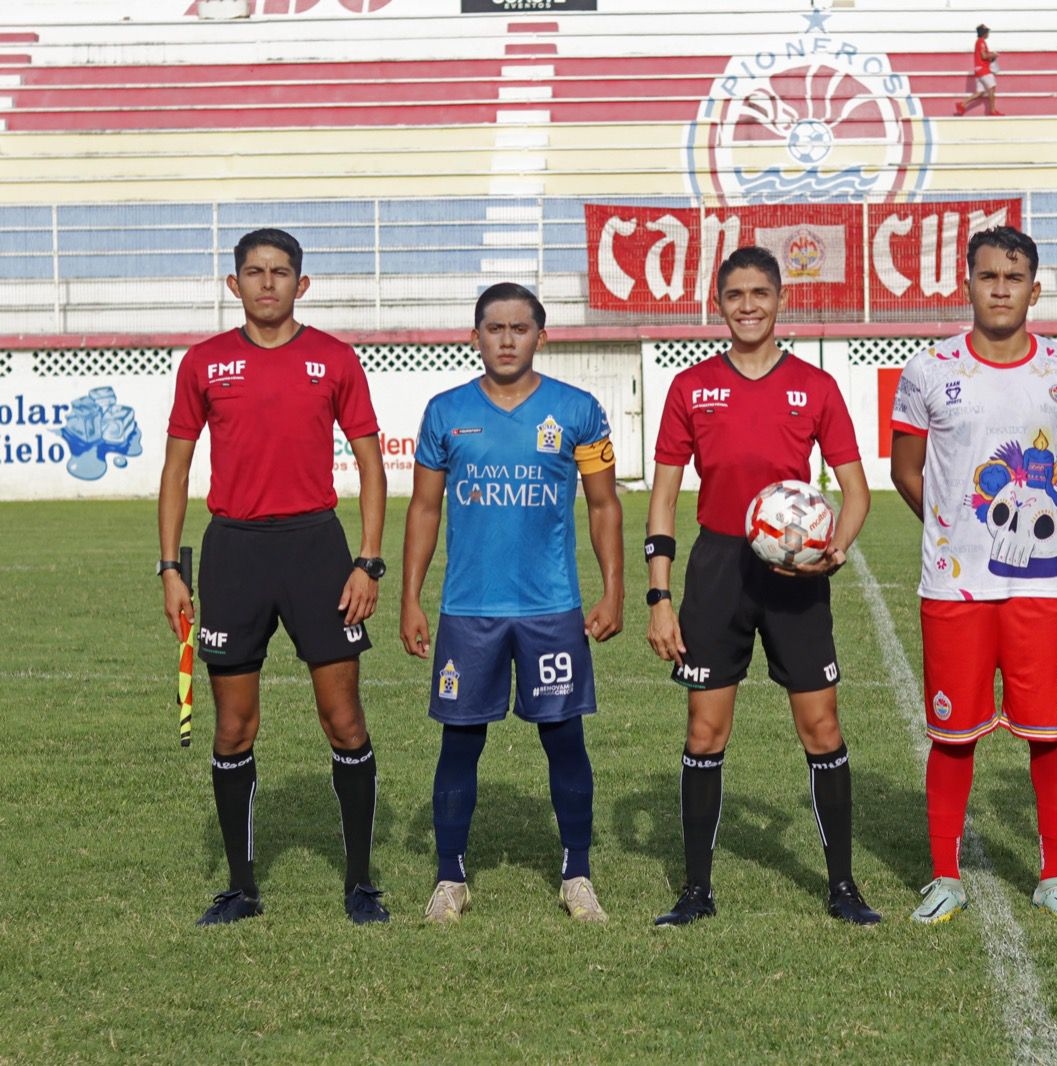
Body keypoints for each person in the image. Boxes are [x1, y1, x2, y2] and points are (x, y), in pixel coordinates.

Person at [159, 228, 389, 926]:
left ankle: (359, 884)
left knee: (343, 719)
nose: (267, 284)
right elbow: (174, 470)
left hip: (318, 550)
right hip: (234, 554)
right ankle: (241, 888)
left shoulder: (334, 359)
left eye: (281, 272)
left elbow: (373, 466)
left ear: (302, 284)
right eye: (254, 273)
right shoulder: (204, 364)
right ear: (234, 285)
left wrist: (368, 560)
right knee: (234, 728)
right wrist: (171, 568)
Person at [645, 245, 878, 927]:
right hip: (717, 569)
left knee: (821, 725)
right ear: (718, 305)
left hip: (795, 573)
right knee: (705, 730)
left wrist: (834, 550)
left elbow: (856, 490)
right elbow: (662, 498)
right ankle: (695, 890)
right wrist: (659, 596)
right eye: (735, 295)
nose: (748, 306)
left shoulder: (816, 387)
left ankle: (842, 886)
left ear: (781, 301)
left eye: (760, 293)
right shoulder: (690, 388)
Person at [890, 226, 1057, 925]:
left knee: (1051, 733)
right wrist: (957, 529)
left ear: (1034, 289)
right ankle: (946, 876)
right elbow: (905, 469)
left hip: (1044, 589)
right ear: (969, 284)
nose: (1001, 289)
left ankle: (1054, 875)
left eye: (1014, 278)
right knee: (953, 736)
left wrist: (1044, 533)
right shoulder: (927, 369)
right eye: (988, 277)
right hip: (955, 588)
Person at [400, 282, 623, 926]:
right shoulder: (445, 413)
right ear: (475, 337)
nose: (505, 340)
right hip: (469, 611)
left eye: (519, 328)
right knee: (460, 743)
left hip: (551, 608)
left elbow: (605, 505)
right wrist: (412, 599)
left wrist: (613, 589)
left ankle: (577, 874)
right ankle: (450, 879)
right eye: (493, 329)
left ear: (541, 337)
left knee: (565, 739)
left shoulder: (577, 410)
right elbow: (423, 508)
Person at [955, 24, 1002, 116]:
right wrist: (993, 55)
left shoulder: (979, 42)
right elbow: (984, 56)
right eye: (987, 32)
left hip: (978, 70)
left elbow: (983, 55)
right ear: (984, 33)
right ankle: (992, 110)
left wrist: (991, 55)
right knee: (992, 88)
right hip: (984, 69)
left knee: (980, 92)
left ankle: (962, 103)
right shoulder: (981, 42)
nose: (988, 34)